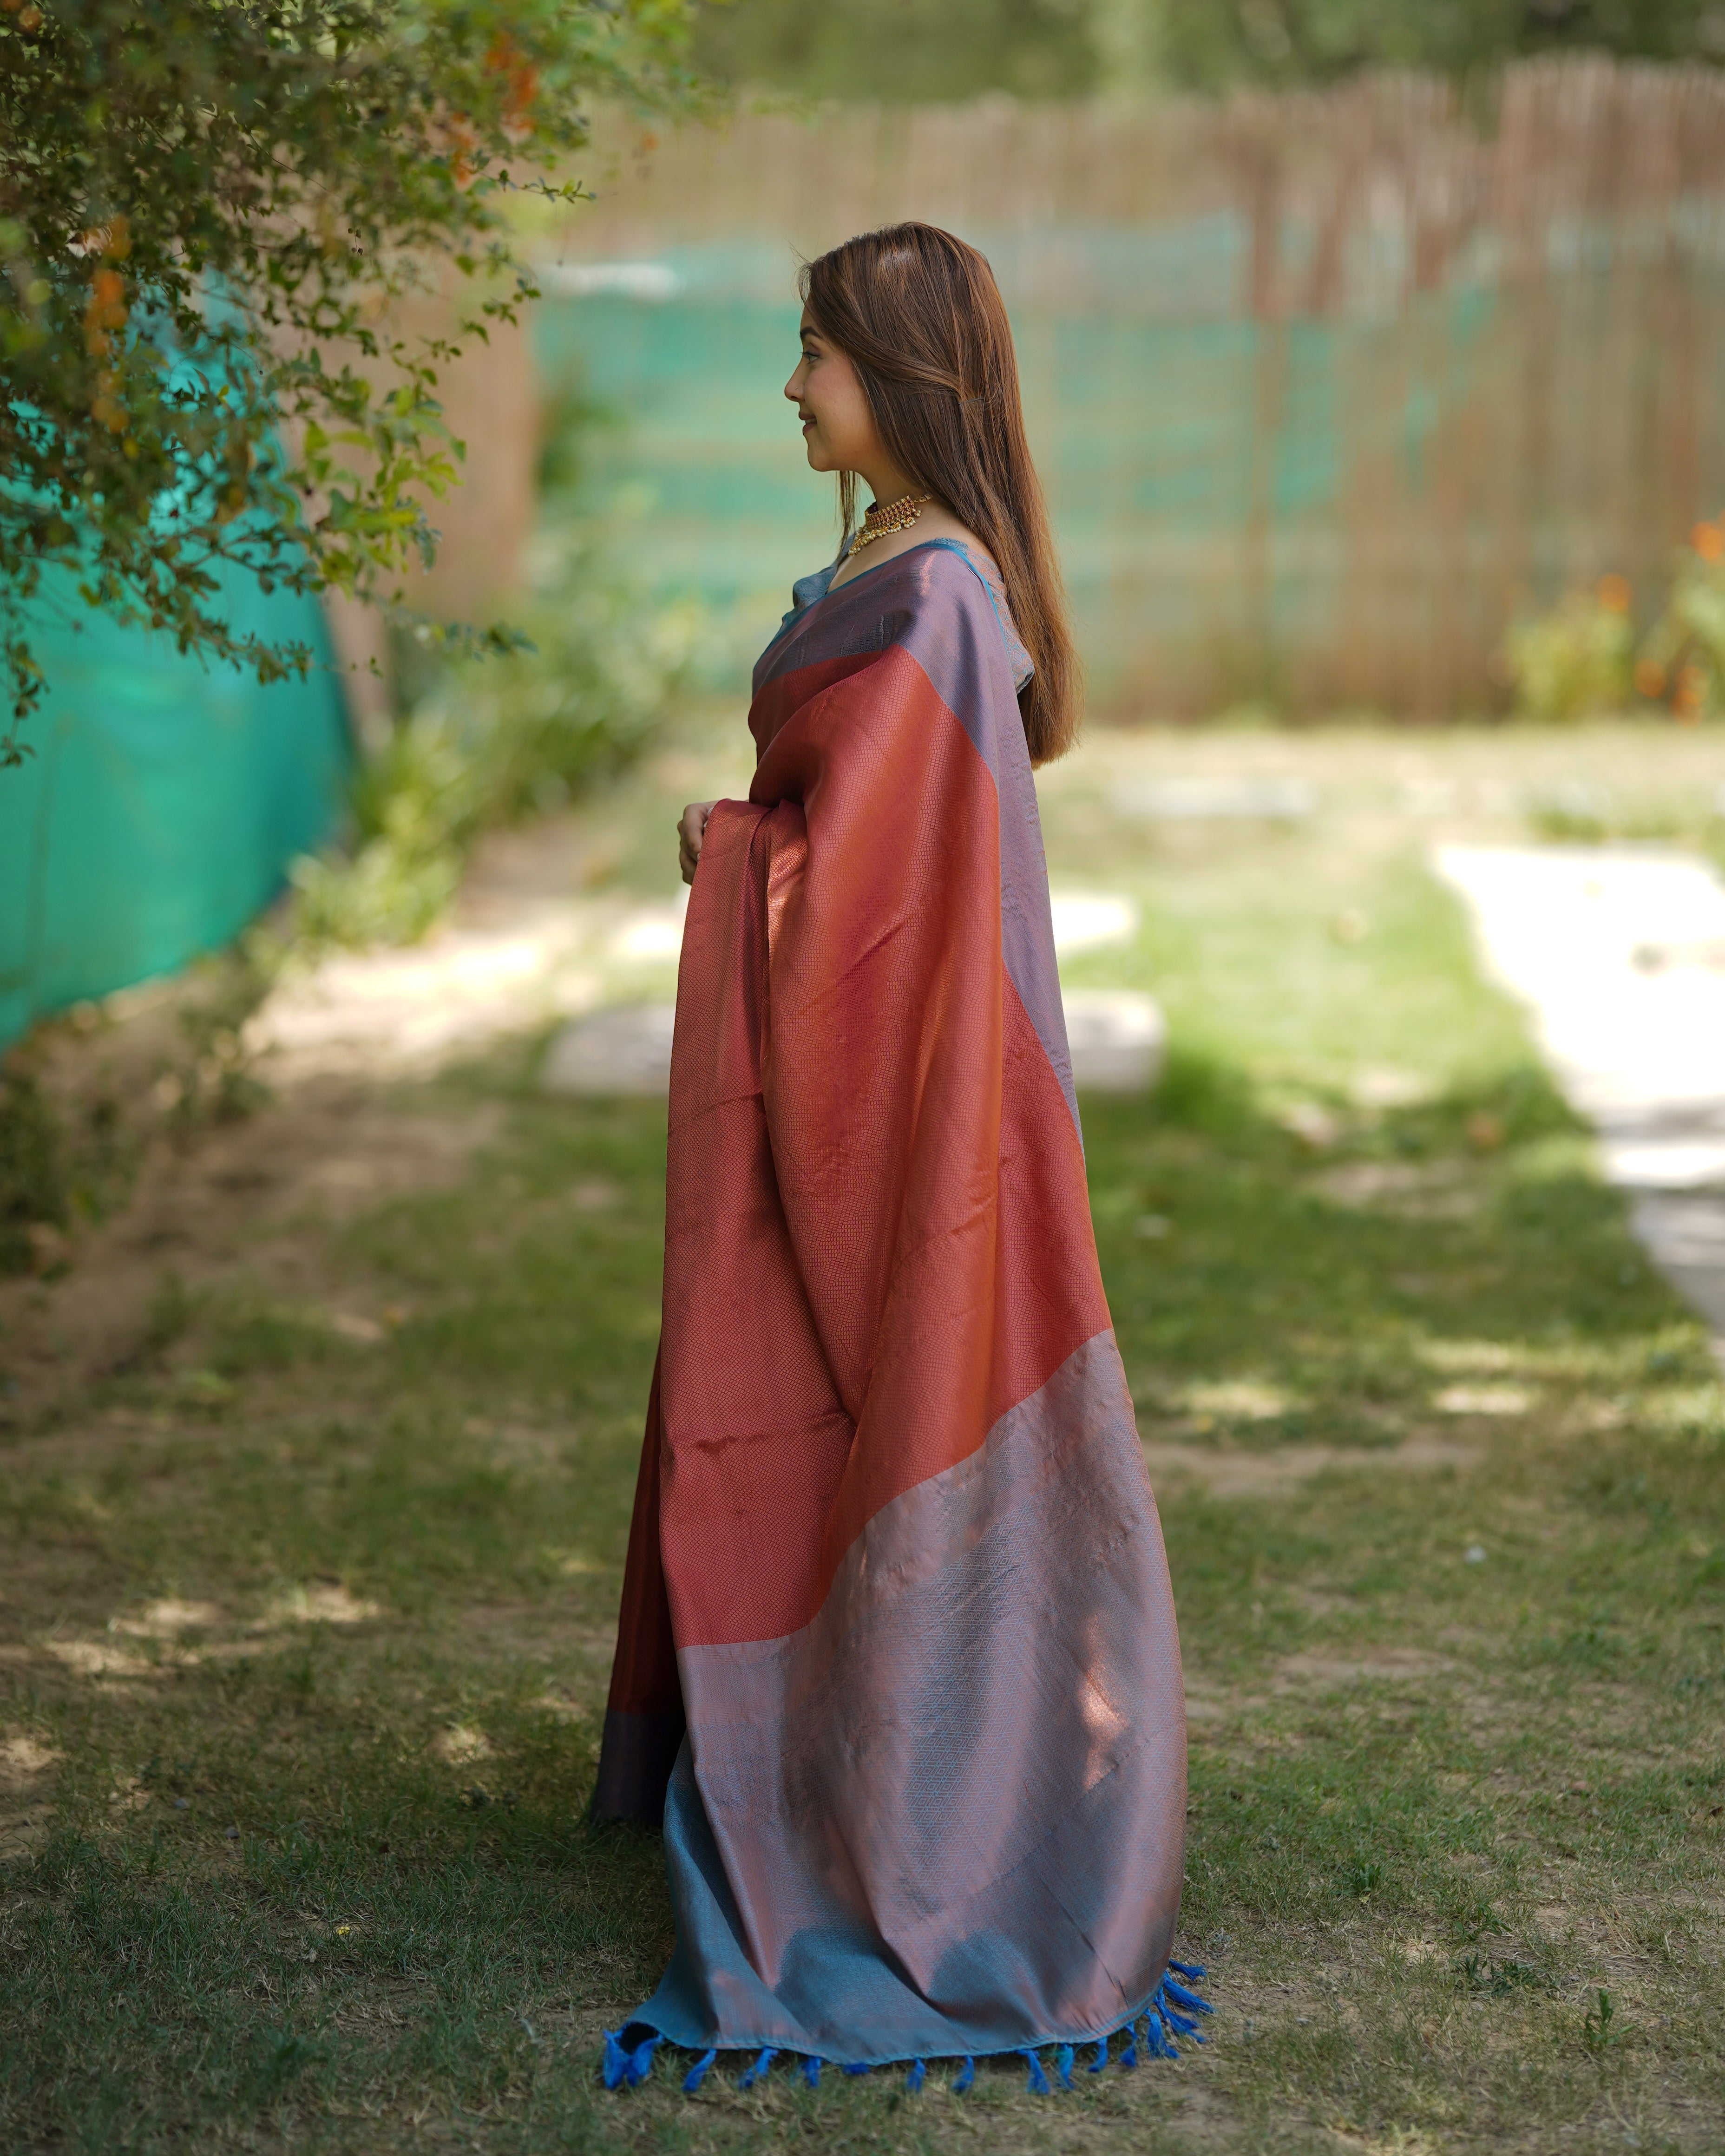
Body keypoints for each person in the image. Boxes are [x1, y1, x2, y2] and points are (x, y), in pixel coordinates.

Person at [594, 221, 1203, 2093]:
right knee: (795, 1404)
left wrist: (730, 858)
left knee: (901, 1386)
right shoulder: (898, 562)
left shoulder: (935, 597)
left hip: (911, 1093)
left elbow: (872, 894)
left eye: (817, 353)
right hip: (862, 1069)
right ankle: (821, 1754)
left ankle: (930, 1811)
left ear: (899, 376)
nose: (791, 385)